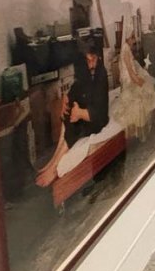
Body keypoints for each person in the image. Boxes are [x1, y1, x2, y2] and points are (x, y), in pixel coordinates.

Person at [35, 39, 110, 187]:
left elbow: (100, 112)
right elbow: (77, 87)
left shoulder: (101, 75)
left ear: (98, 57)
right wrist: (67, 98)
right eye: (88, 60)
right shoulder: (86, 72)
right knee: (69, 112)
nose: (91, 64)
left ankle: (55, 167)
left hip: (97, 121)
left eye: (93, 59)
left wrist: (81, 113)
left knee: (74, 123)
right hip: (86, 113)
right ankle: (53, 159)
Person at [110, 25, 155, 141]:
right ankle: (144, 132)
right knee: (144, 96)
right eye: (133, 38)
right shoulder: (125, 50)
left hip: (129, 80)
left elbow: (133, 69)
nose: (134, 40)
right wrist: (141, 83)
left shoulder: (126, 47)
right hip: (129, 83)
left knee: (148, 83)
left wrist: (140, 78)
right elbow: (132, 75)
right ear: (128, 38)